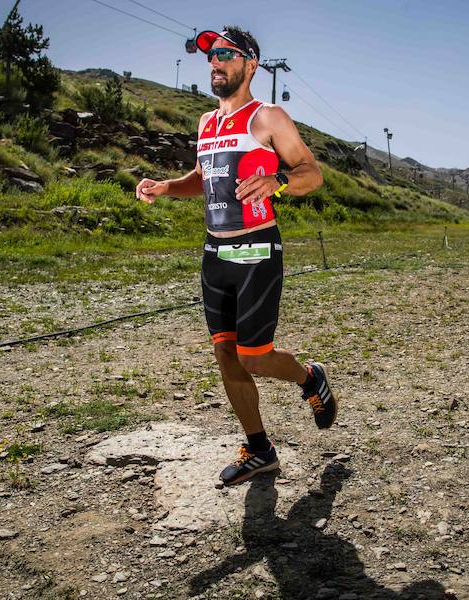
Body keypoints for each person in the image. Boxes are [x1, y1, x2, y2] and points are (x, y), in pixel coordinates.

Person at [135, 26, 335, 487]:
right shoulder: (206, 122)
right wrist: (166, 187)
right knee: (226, 354)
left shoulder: (269, 118)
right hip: (215, 253)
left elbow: (311, 173)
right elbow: (202, 178)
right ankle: (259, 449)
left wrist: (278, 180)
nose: (215, 62)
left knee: (254, 357)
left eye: (226, 53)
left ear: (251, 64)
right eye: (211, 55)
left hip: (257, 250)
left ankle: (309, 377)